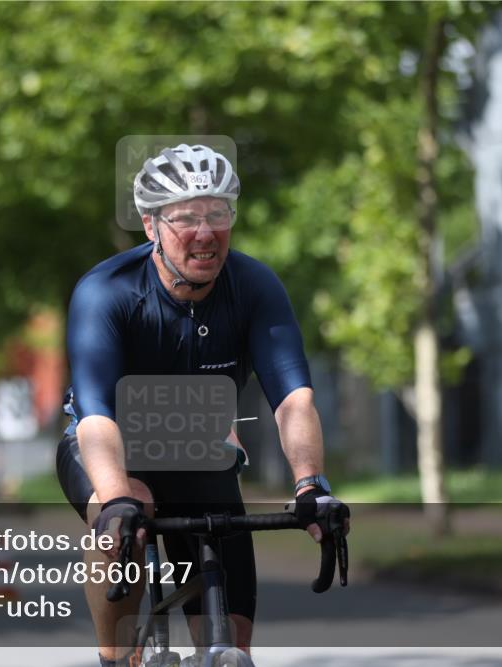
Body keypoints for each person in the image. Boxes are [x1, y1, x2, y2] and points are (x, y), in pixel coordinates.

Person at [56, 143, 351, 666]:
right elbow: (97, 415)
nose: (205, 232)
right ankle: (114, 659)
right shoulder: (107, 291)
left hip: (197, 449)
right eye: (186, 218)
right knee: (124, 517)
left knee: (233, 640)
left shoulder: (255, 285)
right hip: (108, 447)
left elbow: (293, 399)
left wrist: (311, 484)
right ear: (151, 227)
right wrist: (118, 498)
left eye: (218, 215)